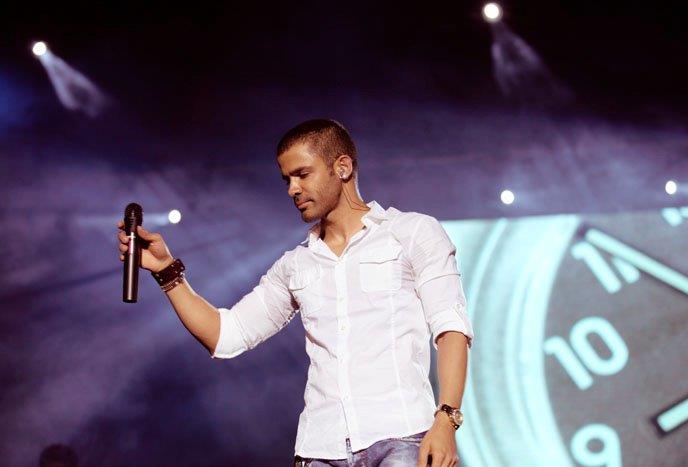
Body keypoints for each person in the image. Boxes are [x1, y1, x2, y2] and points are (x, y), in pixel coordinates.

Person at [117, 119, 474, 467]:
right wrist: (166, 271)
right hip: (320, 448)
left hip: (402, 437)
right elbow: (226, 336)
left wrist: (447, 418)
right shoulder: (295, 265)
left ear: (343, 167)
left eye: (302, 174)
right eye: (287, 179)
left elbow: (451, 328)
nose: (292, 189)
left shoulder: (412, 232)